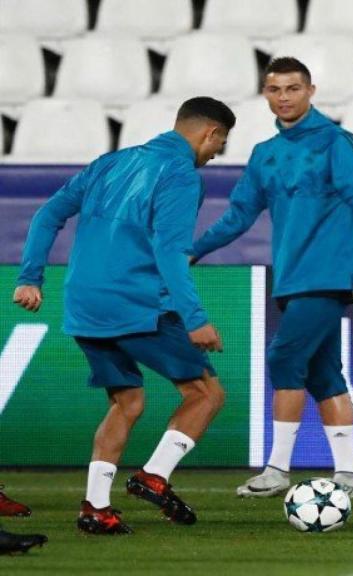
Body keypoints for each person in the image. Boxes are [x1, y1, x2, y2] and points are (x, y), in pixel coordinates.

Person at [13, 97, 236, 534]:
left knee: (127, 401)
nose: (218, 154)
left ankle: (96, 507)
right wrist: (194, 318)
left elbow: (48, 214)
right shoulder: (180, 175)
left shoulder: (109, 162)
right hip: (135, 303)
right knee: (205, 394)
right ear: (210, 133)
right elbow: (170, 251)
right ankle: (154, 477)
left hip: (82, 303)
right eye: (220, 143)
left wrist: (30, 277)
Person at [189, 57, 353, 498]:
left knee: (283, 359)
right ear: (265, 94)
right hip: (291, 279)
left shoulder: (340, 143)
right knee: (324, 375)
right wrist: (194, 250)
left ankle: (278, 469)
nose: (284, 98)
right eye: (275, 90)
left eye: (293, 89)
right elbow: (240, 215)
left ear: (311, 91)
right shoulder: (265, 154)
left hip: (328, 276)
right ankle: (350, 476)